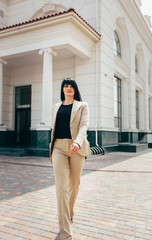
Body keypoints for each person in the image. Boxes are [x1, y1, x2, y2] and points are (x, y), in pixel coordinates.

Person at [50, 78, 91, 240]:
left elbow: (83, 126)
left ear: (75, 89)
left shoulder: (82, 106)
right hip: (58, 148)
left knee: (74, 184)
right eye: (66, 86)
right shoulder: (55, 107)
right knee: (61, 188)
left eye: (71, 86)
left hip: (76, 148)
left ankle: (70, 212)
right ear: (62, 89)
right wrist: (51, 150)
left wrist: (77, 142)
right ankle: (66, 233)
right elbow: (52, 129)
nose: (68, 88)